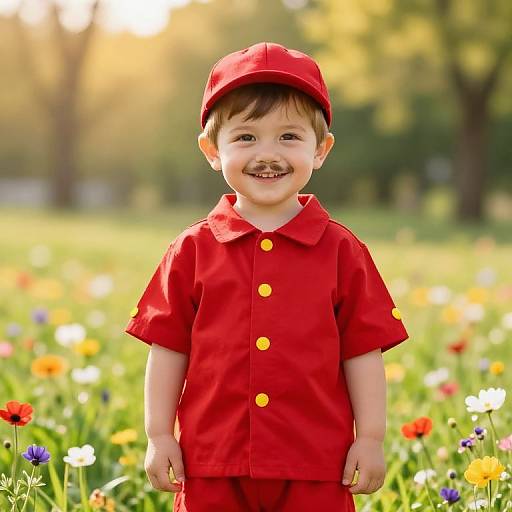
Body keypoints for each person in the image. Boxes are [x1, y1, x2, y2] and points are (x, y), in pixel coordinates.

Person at [125, 41, 410, 511]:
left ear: (321, 149)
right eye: (246, 137)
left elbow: (363, 352)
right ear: (211, 150)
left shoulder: (342, 250)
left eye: (289, 137)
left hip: (317, 464)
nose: (268, 153)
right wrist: (158, 433)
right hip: (211, 461)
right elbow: (168, 347)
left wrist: (371, 437)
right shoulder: (192, 249)